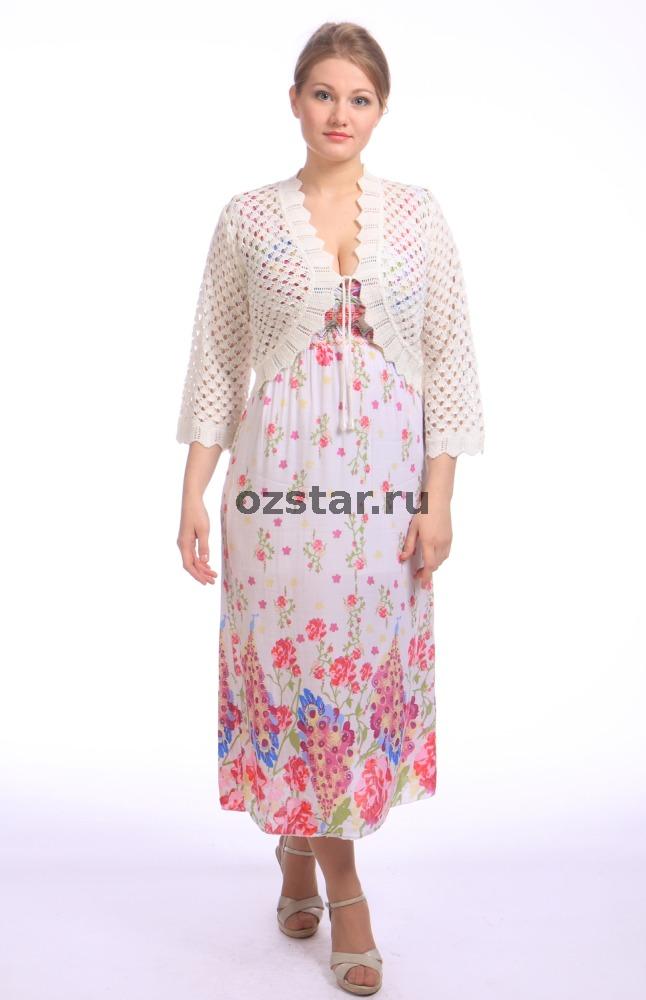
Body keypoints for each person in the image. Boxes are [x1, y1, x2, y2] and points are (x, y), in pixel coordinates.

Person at [175, 21, 484, 996]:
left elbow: (449, 362)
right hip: (276, 492)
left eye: (358, 97)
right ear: (294, 101)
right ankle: (343, 886)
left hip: (385, 498)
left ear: (380, 109)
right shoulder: (247, 219)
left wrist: (439, 500)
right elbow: (218, 359)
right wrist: (193, 491)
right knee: (298, 672)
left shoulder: (419, 216)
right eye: (322, 93)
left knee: (354, 681)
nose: (338, 113)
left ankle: (299, 849)